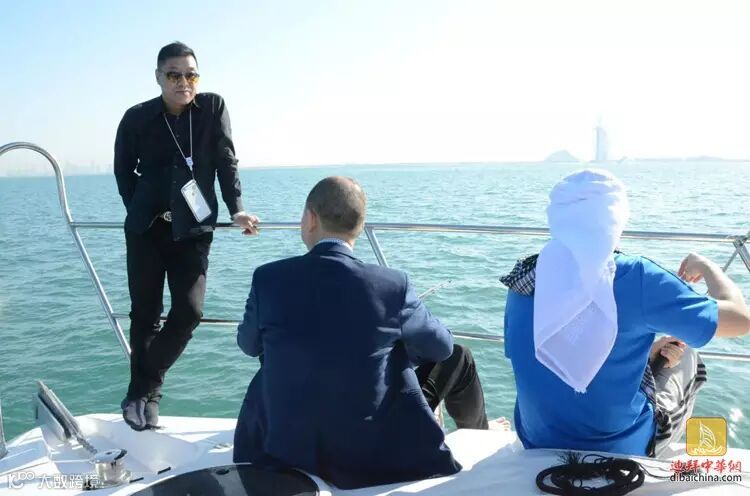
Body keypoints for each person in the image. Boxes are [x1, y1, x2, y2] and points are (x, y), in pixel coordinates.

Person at [233, 176, 490, 489]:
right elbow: (442, 348)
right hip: (365, 450)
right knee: (460, 356)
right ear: (359, 225)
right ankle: (481, 436)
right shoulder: (392, 284)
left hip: (285, 444)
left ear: (311, 218)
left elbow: (248, 345)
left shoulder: (267, 279)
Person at [502, 168, 750, 457]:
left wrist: (647, 353)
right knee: (689, 355)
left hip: (537, 438)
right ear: (617, 218)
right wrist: (708, 267)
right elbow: (740, 320)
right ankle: (679, 452)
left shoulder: (524, 278)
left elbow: (556, 354)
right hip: (617, 447)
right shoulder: (636, 276)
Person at [114, 41, 260, 431]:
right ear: (158, 77)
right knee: (145, 315)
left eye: (191, 75)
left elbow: (227, 161)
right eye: (174, 75)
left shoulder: (212, 109)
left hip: (193, 230)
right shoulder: (137, 117)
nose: (183, 82)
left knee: (189, 312)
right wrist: (141, 207)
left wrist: (236, 208)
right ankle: (147, 399)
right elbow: (123, 171)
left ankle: (141, 388)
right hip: (146, 231)